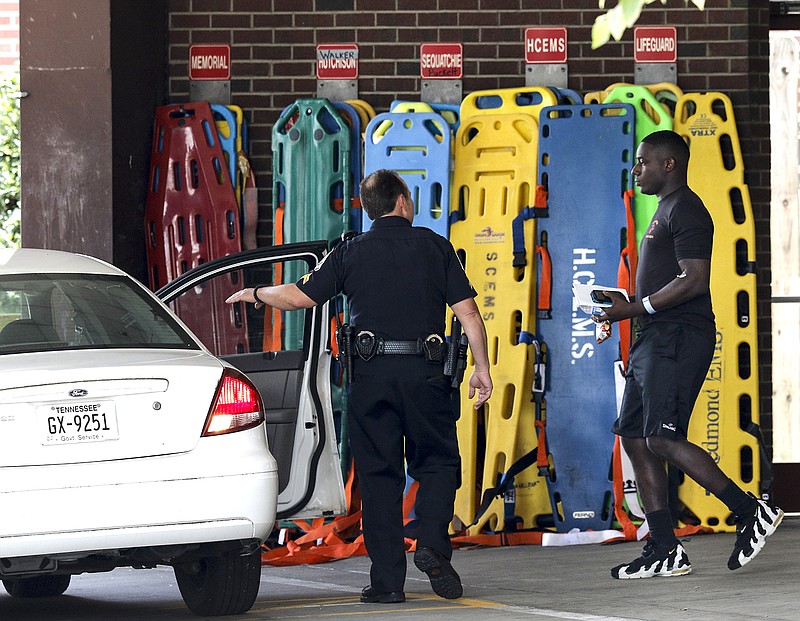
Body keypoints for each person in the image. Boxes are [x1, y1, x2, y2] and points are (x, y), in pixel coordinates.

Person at [226, 169, 493, 602]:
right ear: (403, 202)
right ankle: (431, 545)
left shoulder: (349, 252)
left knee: (378, 476)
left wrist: (256, 293)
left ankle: (388, 585)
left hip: (370, 379)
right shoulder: (435, 247)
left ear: (368, 210)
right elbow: (469, 315)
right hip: (427, 375)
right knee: (438, 464)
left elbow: (299, 296)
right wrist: (481, 368)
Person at [595, 130, 783, 579]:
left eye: (643, 162)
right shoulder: (664, 210)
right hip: (653, 336)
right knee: (635, 437)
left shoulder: (687, 208)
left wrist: (635, 308)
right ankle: (664, 547)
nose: (636, 170)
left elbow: (695, 279)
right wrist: (621, 310)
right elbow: (661, 281)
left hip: (678, 337)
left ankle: (748, 510)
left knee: (661, 437)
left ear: (669, 164)